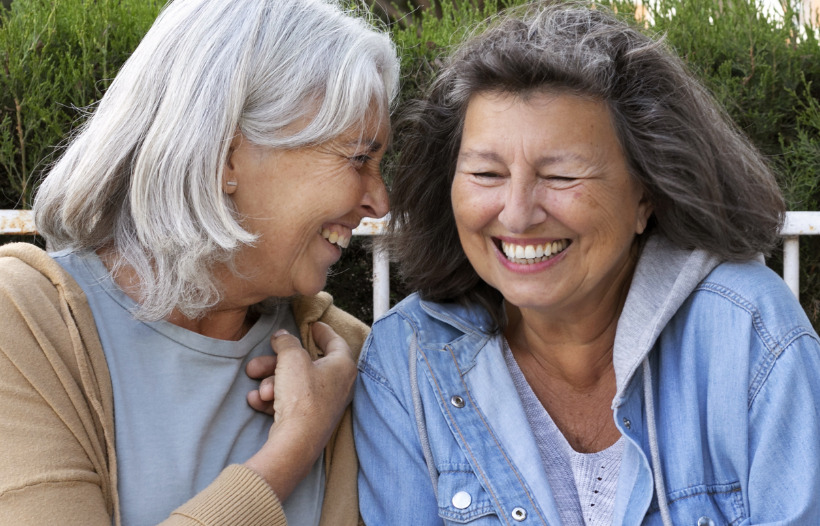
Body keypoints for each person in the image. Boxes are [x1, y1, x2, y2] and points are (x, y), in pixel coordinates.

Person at [353, 2, 820, 525]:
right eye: (486, 173)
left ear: (647, 194)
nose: (518, 213)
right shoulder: (408, 361)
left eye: (560, 176)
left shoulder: (748, 333)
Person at [0, 0, 398, 524]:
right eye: (358, 159)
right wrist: (296, 444)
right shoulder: (25, 322)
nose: (379, 201)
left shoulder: (346, 356)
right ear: (225, 156)